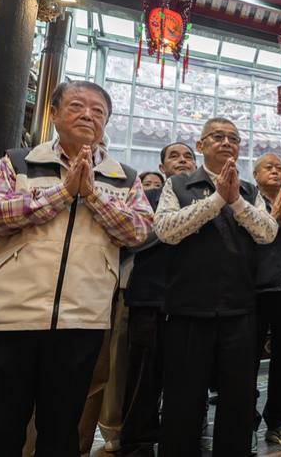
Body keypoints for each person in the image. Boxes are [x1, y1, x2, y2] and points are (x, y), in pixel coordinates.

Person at [0, 81, 153, 457]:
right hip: (11, 315)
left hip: (83, 318)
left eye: (98, 112)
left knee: (62, 430)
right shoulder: (17, 161)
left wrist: (92, 195)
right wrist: (62, 193)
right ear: (53, 113)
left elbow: (139, 230)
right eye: (77, 106)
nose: (88, 115)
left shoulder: (124, 176)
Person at [154, 117, 278, 457]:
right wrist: (215, 201)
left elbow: (268, 232)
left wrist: (236, 201)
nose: (227, 143)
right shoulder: (179, 184)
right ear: (201, 145)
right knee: (183, 400)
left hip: (239, 310)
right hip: (187, 309)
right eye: (218, 137)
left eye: (234, 139)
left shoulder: (250, 190)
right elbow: (165, 230)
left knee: (237, 401)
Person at [119, 141, 197, 457]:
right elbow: (132, 239)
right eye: (174, 156)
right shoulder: (147, 197)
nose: (182, 160)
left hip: (192, 301)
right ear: (162, 167)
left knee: (188, 378)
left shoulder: (206, 198)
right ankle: (137, 443)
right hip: (150, 298)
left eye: (189, 156)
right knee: (143, 378)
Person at [252, 153, 281, 448]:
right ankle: (245, 423)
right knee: (247, 362)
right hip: (253, 292)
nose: (275, 171)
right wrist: (271, 220)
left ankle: (279, 420)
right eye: (268, 167)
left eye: (280, 167)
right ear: (255, 175)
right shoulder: (244, 201)